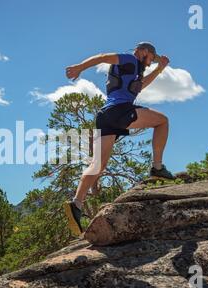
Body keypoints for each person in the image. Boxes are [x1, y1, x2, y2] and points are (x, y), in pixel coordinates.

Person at [63, 42, 176, 237]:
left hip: (105, 116)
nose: (149, 64)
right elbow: (102, 56)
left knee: (98, 165)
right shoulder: (129, 59)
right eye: (150, 59)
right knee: (162, 122)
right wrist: (79, 67)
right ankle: (157, 167)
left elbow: (139, 87)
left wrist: (159, 69)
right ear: (143, 52)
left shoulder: (134, 70)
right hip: (120, 111)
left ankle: (76, 204)